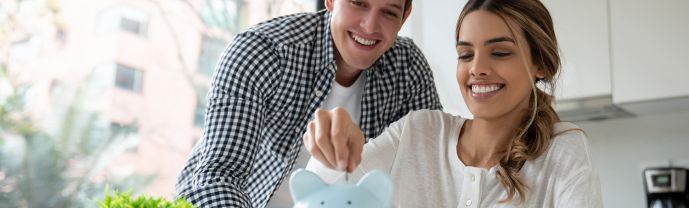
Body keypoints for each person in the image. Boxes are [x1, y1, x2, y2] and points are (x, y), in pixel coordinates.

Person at [304, 0, 603, 207]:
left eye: (499, 53)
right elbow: (329, 191)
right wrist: (331, 147)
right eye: (465, 55)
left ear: (539, 63)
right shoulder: (419, 131)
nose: (477, 69)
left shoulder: (562, 149)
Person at [174, 0, 442, 207]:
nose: (370, 26)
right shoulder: (263, 52)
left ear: (404, 17)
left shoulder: (408, 70)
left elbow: (431, 175)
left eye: (389, 12)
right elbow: (217, 178)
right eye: (358, 3)